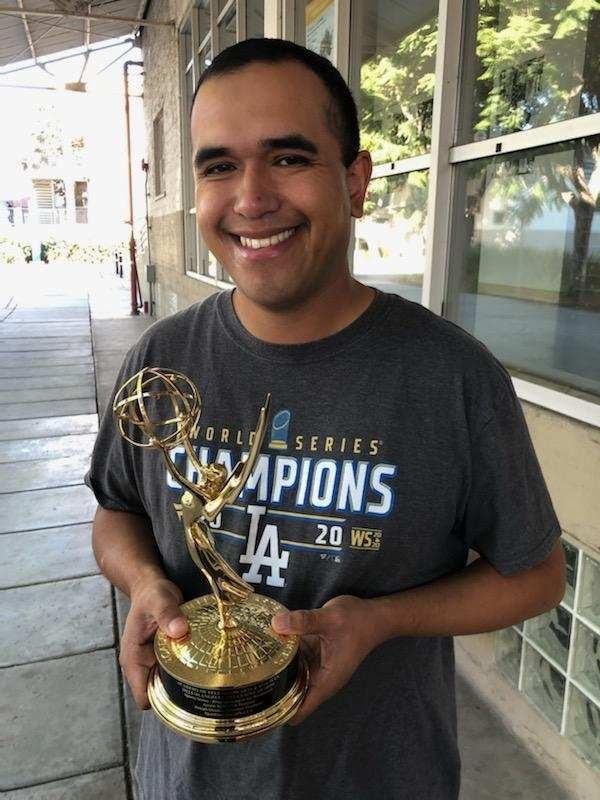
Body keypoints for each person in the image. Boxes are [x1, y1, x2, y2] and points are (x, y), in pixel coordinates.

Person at [86, 38, 566, 800]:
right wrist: (145, 581)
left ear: (356, 179)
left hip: (382, 775)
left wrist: (379, 620)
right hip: (188, 778)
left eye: (287, 158)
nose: (249, 198)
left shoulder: (451, 376)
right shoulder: (162, 358)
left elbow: (537, 575)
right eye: (218, 166)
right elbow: (116, 508)